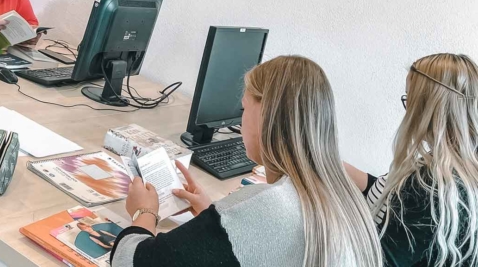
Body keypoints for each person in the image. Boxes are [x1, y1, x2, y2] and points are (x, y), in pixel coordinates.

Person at [111, 56, 383, 267]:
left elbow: (129, 261)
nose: (241, 121)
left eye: (244, 108)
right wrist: (215, 218)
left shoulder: (270, 206)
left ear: (266, 115)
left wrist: (143, 213)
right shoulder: (345, 196)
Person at [345, 53, 478, 266]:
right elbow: (385, 191)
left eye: (410, 99)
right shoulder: (459, 167)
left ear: (427, 108)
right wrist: (329, 165)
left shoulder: (428, 186)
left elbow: (377, 261)